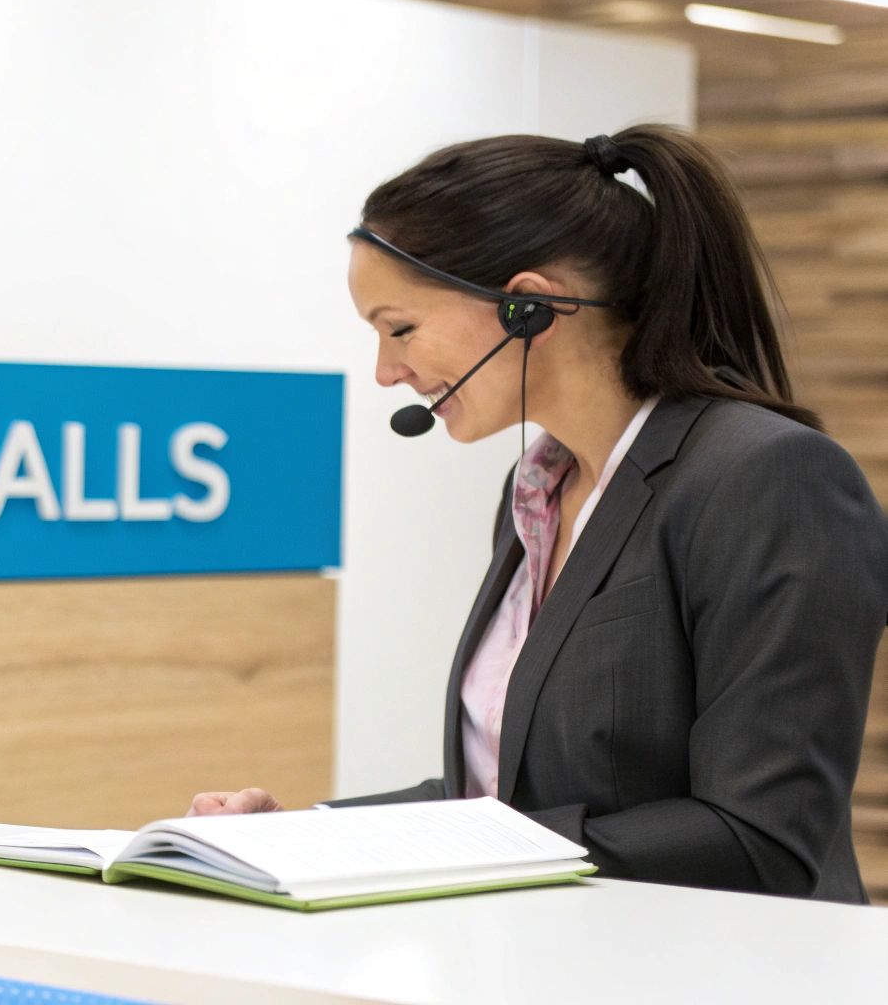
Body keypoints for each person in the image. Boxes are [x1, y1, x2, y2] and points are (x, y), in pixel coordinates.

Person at [191, 125, 888, 903]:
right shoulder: (536, 491)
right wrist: (298, 834)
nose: (388, 372)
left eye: (400, 328)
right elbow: (507, 798)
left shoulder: (766, 477)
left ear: (529, 305)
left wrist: (431, 850)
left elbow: (760, 837)